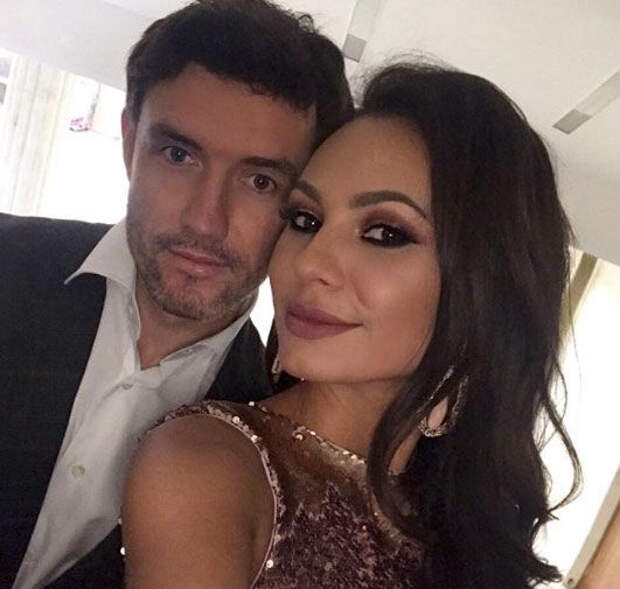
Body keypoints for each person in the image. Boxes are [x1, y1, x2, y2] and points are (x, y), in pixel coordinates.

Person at [123, 62, 582, 589]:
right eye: (305, 221)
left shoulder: (460, 514)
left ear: (486, 284)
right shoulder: (210, 465)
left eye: (384, 233)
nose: (309, 262)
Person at [0, 1, 353, 587]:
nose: (205, 220)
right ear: (129, 141)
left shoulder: (268, 439)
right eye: (179, 155)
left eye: (260, 181)